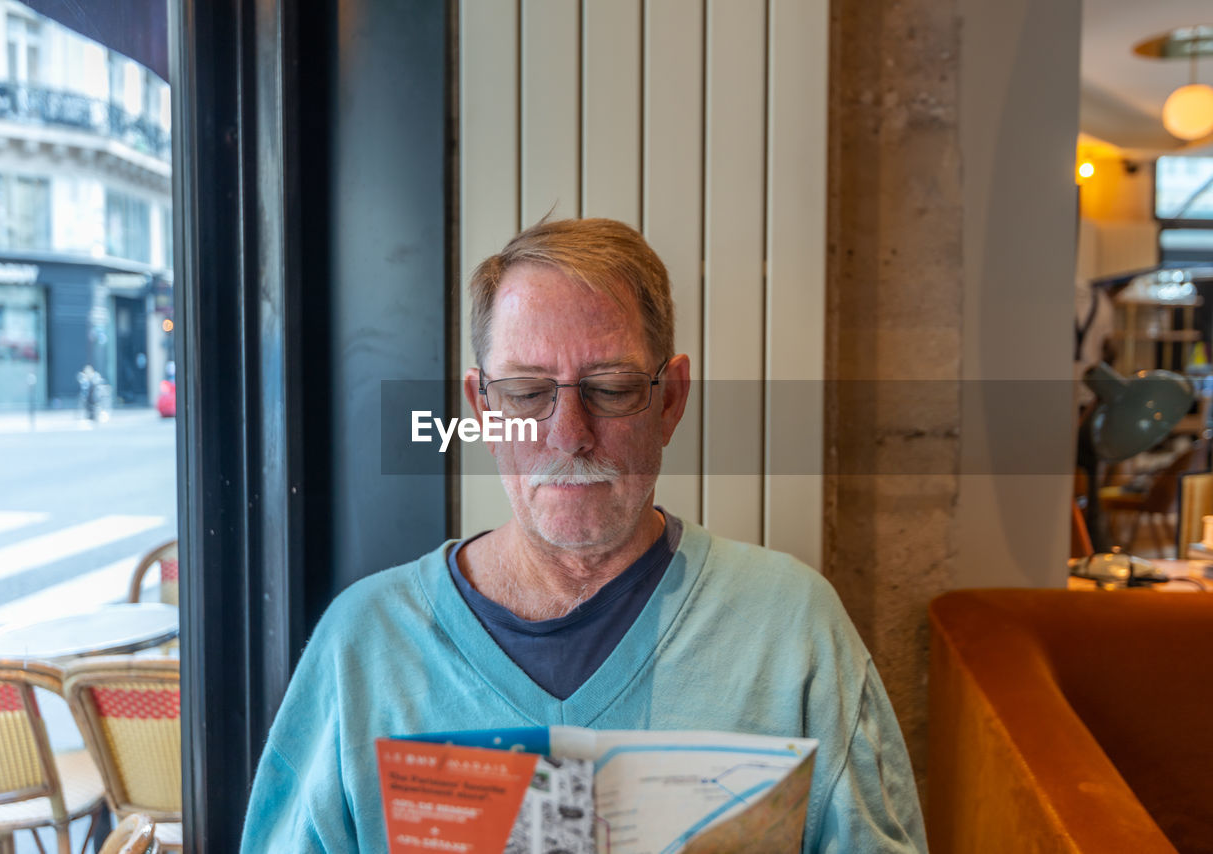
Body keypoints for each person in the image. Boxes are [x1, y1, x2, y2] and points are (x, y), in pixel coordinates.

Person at [241, 218, 927, 852]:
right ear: (481, 409)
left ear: (671, 400)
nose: (568, 435)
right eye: (527, 391)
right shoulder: (365, 644)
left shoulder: (791, 629)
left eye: (612, 386)